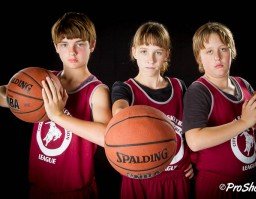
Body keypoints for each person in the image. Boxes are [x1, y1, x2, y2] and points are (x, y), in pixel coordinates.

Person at [0, 12, 112, 199]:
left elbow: (106, 137)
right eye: (64, 44)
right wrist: (12, 94)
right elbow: (6, 96)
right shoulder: (42, 80)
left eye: (80, 44)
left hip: (75, 190)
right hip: (39, 186)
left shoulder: (97, 90)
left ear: (92, 45)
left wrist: (59, 116)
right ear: (56, 47)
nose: (72, 51)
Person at [182, 22, 256, 199]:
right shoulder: (199, 91)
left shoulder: (243, 84)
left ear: (232, 51)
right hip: (216, 185)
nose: (217, 57)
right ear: (199, 58)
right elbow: (194, 141)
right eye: (209, 51)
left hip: (249, 180)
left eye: (223, 49)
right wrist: (244, 122)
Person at [111, 21, 193, 199]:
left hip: (176, 176)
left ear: (166, 55)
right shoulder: (125, 89)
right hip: (138, 179)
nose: (151, 59)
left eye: (158, 52)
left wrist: (195, 160)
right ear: (134, 52)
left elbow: (193, 129)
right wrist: (121, 115)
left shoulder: (179, 87)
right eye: (144, 51)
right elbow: (119, 112)